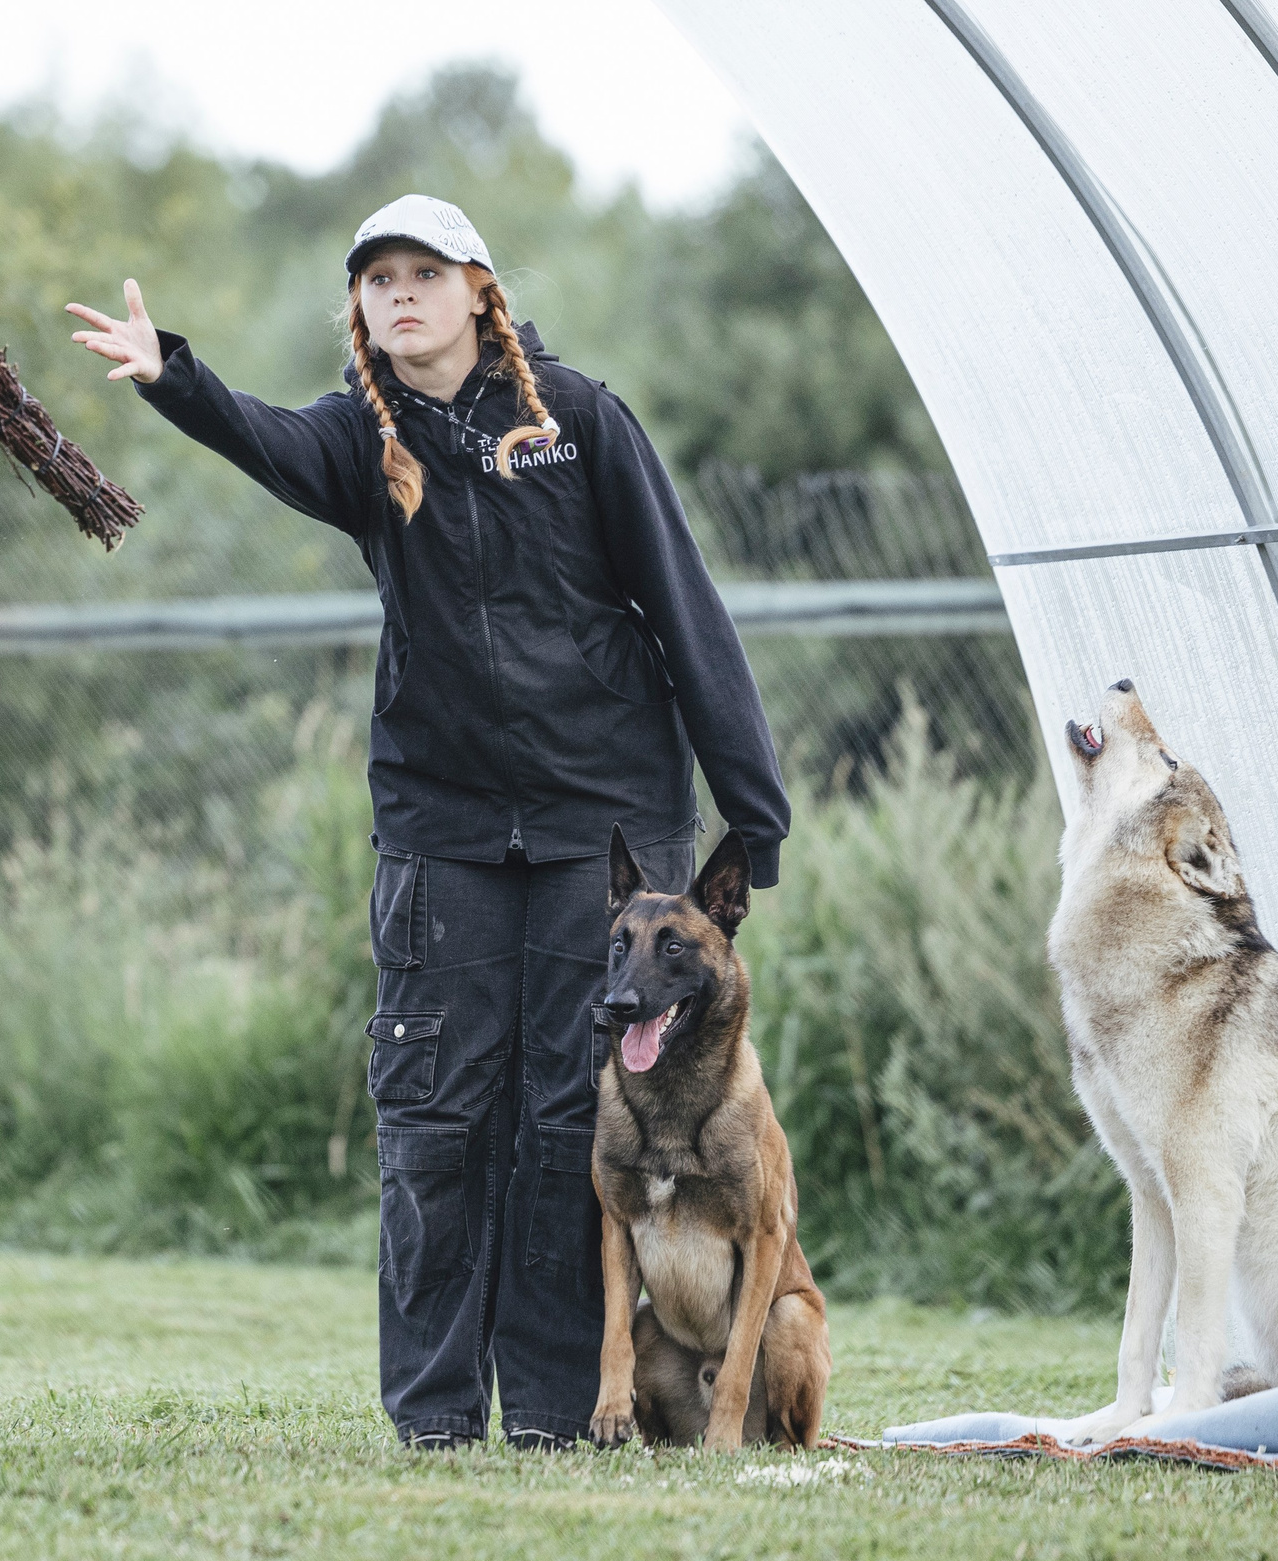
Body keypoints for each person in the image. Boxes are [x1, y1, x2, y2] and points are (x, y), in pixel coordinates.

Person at [68, 194, 793, 1448]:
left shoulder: (579, 421)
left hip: (603, 825)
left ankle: (561, 1414)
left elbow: (684, 606)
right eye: (377, 279)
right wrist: (172, 377)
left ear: (478, 290)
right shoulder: (361, 437)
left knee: (574, 1119)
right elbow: (263, 437)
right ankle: (437, 1414)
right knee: (436, 1117)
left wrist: (753, 809)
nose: (399, 294)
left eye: (423, 273)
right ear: (360, 307)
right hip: (442, 827)